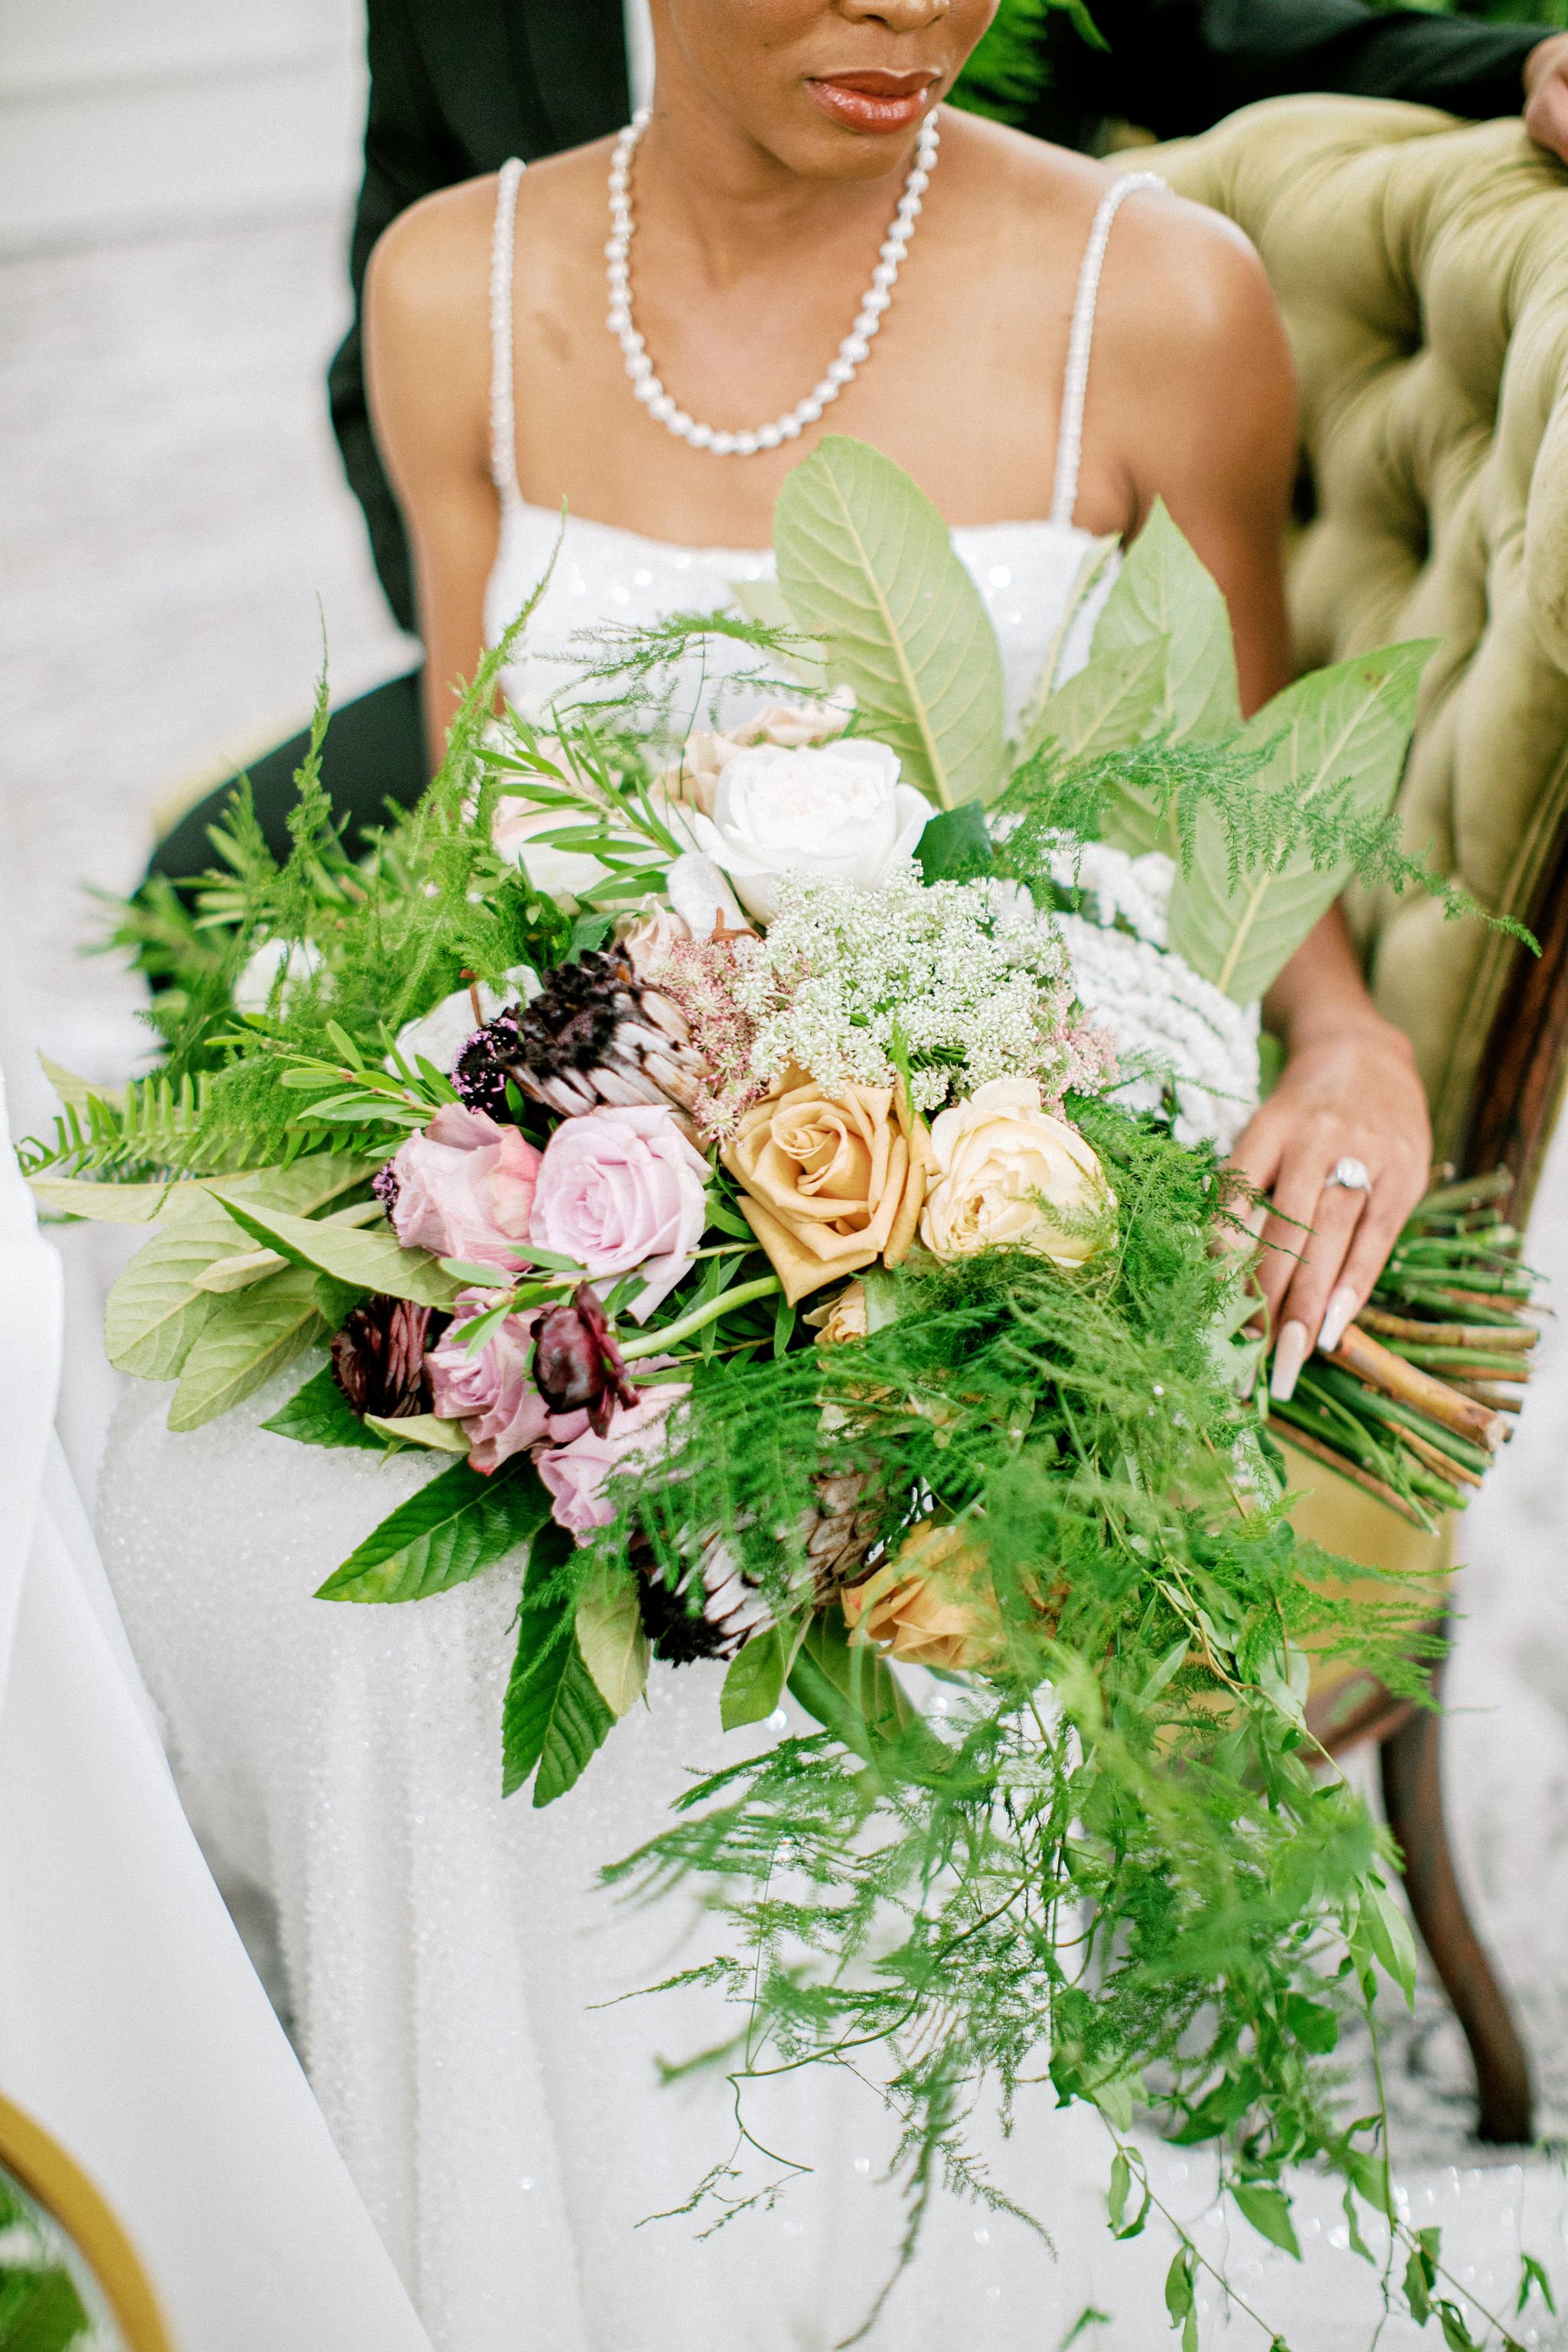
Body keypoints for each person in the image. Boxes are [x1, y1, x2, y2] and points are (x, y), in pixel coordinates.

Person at [98, 5, 1439, 2344]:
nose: (912, 9)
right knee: (254, 1528)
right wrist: (518, 1163)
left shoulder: (1165, 296)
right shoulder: (451, 292)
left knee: (730, 1587)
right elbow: (484, 846)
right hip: (586, 1194)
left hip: (994, 1233)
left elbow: (1251, 843)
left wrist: (1350, 1047)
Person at [144, 0, 1568, 882]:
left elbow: (1241, 795)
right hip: (567, 714)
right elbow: (477, 784)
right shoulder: (458, 271)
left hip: (1013, 1061)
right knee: (198, 889)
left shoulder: (1150, 299)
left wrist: (1526, 60)